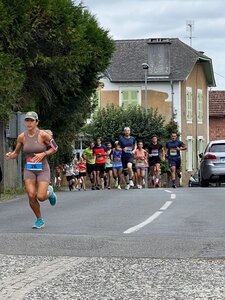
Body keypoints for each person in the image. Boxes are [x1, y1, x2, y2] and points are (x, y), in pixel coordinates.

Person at [5, 111, 58, 229]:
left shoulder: (43, 135)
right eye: (27, 120)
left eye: (31, 120)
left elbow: (55, 147)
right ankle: (39, 219)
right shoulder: (21, 137)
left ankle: (49, 193)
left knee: (40, 196)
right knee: (31, 195)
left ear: (37, 122)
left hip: (43, 169)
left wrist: (43, 153)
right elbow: (16, 153)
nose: (29, 123)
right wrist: (10, 155)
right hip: (29, 169)